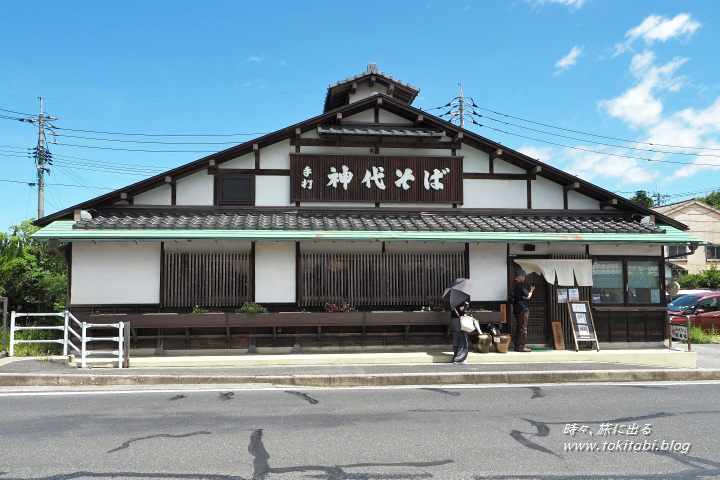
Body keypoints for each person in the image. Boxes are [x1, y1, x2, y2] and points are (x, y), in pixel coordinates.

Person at [512, 270, 535, 353]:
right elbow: (527, 296)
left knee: (519, 327)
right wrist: (531, 290)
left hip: (517, 308)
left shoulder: (513, 284)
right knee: (523, 327)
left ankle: (517, 345)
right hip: (522, 308)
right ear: (520, 276)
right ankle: (521, 345)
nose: (524, 278)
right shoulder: (520, 285)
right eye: (524, 276)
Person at [450, 300, 471, 364]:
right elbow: (461, 309)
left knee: (456, 338)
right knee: (463, 338)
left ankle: (456, 356)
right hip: (459, 320)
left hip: (452, 319)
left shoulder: (452, 301)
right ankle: (460, 359)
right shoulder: (460, 300)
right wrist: (466, 306)